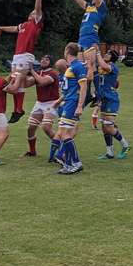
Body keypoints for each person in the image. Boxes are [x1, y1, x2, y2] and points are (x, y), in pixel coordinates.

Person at [0, 0, 44, 122]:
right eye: (33, 12)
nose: (34, 13)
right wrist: (2, 28)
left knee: (15, 80)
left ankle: (35, 80)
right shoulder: (23, 25)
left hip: (25, 55)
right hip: (17, 56)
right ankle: (18, 109)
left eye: (36, 13)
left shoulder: (36, 24)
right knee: (19, 82)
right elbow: (14, 28)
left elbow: (38, 7)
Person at [61, 0, 109, 95]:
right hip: (81, 39)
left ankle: (97, 94)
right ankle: (85, 93)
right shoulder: (89, 7)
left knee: (91, 67)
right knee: (81, 67)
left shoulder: (101, 8)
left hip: (91, 39)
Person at [53, 43, 88, 174]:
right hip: (68, 102)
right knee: (63, 134)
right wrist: (59, 100)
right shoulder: (72, 67)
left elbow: (83, 87)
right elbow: (69, 89)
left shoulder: (78, 66)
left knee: (65, 134)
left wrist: (79, 106)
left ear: (67, 51)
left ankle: (76, 163)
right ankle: (68, 164)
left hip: (73, 103)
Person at [94, 49, 132, 160]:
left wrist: (97, 52)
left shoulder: (112, 67)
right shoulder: (102, 67)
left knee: (109, 127)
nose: (105, 54)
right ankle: (109, 152)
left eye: (109, 54)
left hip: (111, 99)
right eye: (105, 53)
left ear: (113, 57)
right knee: (104, 128)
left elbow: (102, 65)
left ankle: (126, 145)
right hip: (104, 99)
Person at [23, 54, 59, 157]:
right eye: (42, 59)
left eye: (47, 59)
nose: (43, 60)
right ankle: (32, 151)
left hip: (51, 103)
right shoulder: (39, 73)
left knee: (46, 128)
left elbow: (42, 81)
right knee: (31, 128)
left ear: (51, 62)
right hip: (40, 103)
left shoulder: (52, 73)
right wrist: (23, 73)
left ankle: (63, 149)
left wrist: (32, 71)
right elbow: (26, 84)